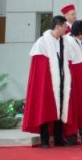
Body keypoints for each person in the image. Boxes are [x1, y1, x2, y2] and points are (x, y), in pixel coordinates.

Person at [22, 16, 72, 148]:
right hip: (48, 82)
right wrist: (47, 82)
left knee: (60, 108)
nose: (66, 29)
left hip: (61, 81)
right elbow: (40, 66)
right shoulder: (42, 42)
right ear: (58, 26)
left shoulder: (63, 41)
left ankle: (58, 138)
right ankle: (44, 139)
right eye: (65, 26)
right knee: (44, 109)